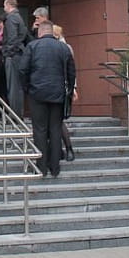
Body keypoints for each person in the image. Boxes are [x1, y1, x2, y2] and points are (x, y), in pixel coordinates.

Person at [19, 21, 76, 178]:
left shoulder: (32, 46)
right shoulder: (63, 48)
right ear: (51, 31)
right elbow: (72, 72)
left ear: (40, 32)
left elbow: (23, 69)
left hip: (37, 93)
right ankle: (55, 168)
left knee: (39, 130)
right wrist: (69, 91)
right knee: (55, 129)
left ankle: (41, 167)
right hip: (58, 94)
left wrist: (27, 88)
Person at [54, 24, 80, 161]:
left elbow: (71, 70)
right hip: (62, 88)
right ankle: (63, 150)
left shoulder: (64, 48)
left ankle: (67, 149)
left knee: (57, 121)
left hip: (61, 89)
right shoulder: (64, 48)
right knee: (57, 121)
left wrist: (73, 88)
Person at [2, 0, 28, 117]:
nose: (4, 8)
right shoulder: (19, 17)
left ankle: (15, 115)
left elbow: (12, 38)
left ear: (9, 5)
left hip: (13, 55)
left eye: (4, 6)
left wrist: (7, 53)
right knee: (17, 86)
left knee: (13, 87)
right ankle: (17, 114)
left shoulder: (11, 18)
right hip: (18, 54)